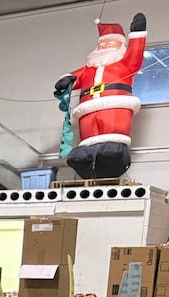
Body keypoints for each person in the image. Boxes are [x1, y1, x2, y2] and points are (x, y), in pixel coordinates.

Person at [55, 14, 147, 179]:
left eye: (109, 44)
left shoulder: (124, 64)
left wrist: (137, 34)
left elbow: (136, 55)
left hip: (114, 107)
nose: (105, 48)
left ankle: (113, 154)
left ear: (120, 45)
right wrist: (66, 81)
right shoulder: (88, 69)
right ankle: (85, 157)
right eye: (102, 45)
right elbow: (74, 77)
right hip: (87, 110)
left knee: (111, 135)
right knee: (88, 134)